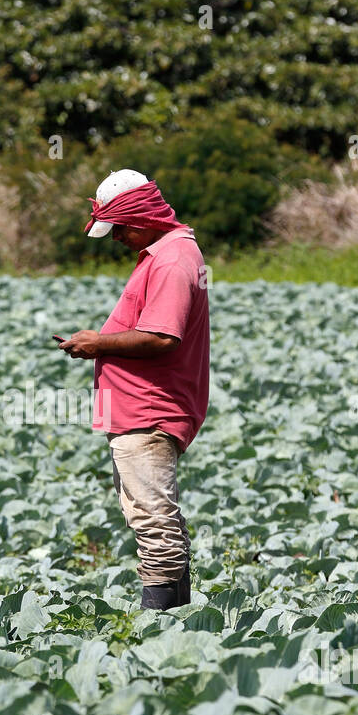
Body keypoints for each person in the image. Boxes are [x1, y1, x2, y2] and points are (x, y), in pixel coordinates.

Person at [55, 169, 210, 610]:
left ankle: (160, 625)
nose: (116, 237)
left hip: (150, 411)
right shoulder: (165, 254)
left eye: (119, 227)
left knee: (154, 520)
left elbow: (163, 337)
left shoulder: (172, 260)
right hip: (139, 410)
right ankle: (179, 620)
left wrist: (96, 343)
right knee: (155, 515)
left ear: (139, 216)